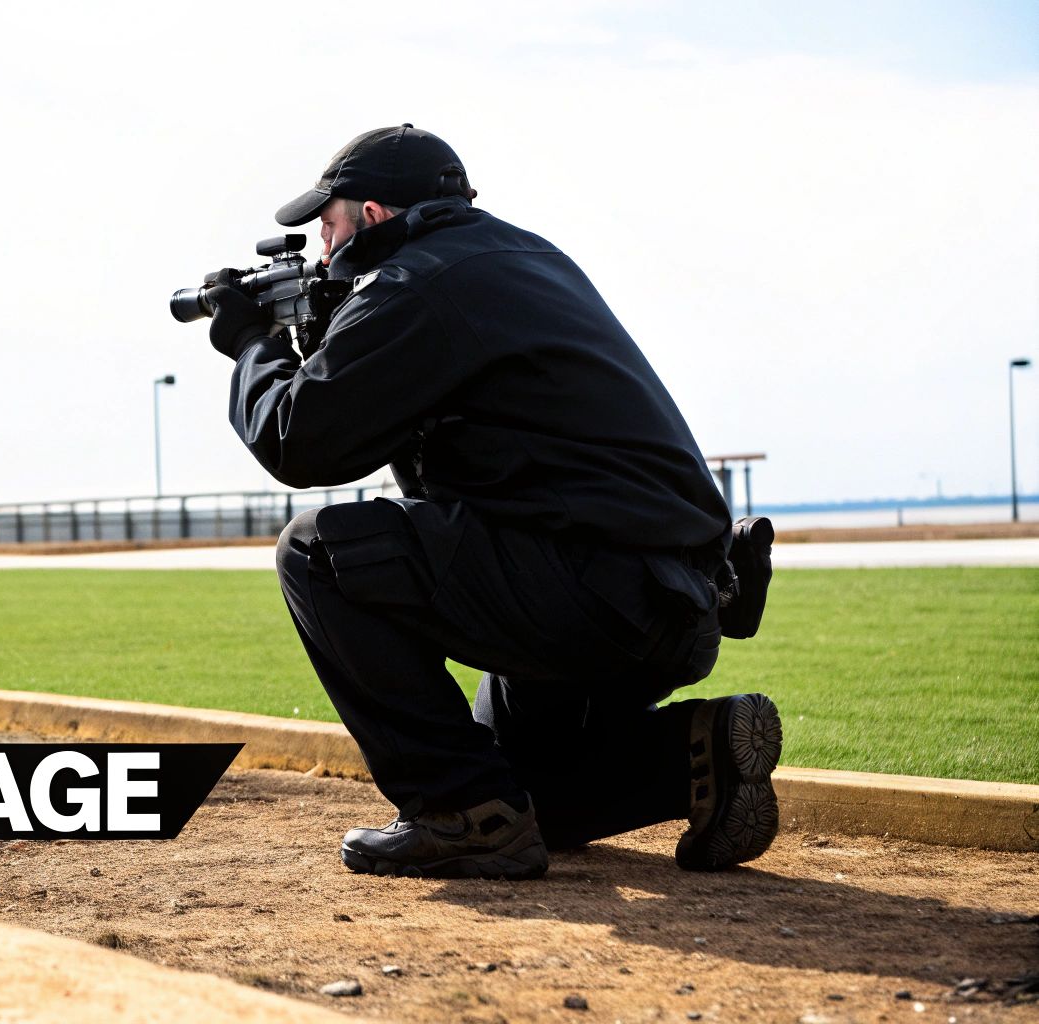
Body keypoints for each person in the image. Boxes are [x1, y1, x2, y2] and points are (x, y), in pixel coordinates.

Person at [197, 124, 782, 880]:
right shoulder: (522, 259)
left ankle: (457, 815)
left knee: (318, 552)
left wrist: (253, 345)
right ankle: (692, 753)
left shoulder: (414, 284)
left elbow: (300, 441)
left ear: (373, 216)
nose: (321, 245)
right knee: (523, 793)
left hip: (585, 588)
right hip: (676, 602)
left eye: (329, 223)